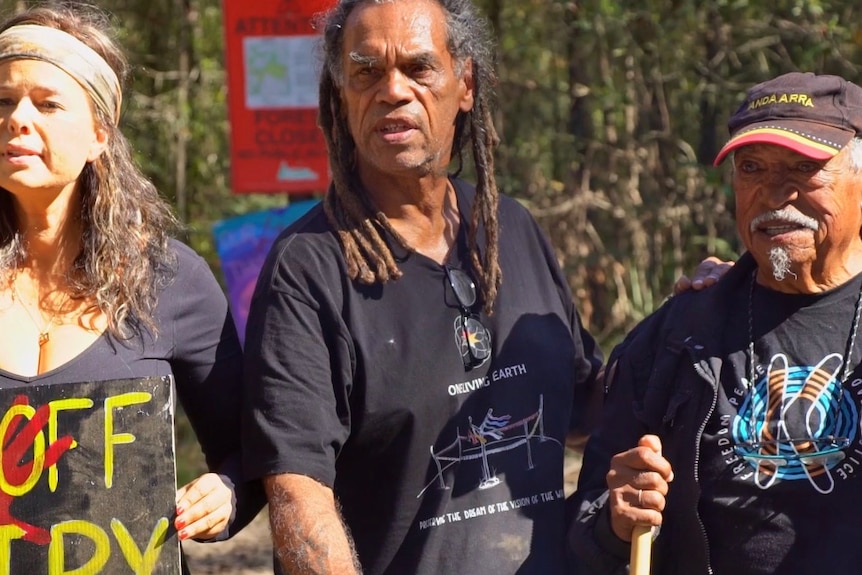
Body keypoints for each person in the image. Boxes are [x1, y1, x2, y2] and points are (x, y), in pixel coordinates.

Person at [241, 1, 728, 574]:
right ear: (341, 97)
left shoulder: (509, 228)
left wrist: (684, 319)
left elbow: (581, 409)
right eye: (366, 72)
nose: (393, 91)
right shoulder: (309, 268)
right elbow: (299, 495)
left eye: (419, 68)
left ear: (464, 84)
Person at [568, 71, 862, 574]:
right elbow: (583, 534)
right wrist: (615, 522)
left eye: (804, 168)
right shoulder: (676, 339)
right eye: (752, 168)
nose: (774, 195)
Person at [0, 4, 261, 569]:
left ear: (99, 133)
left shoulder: (172, 281)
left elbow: (252, 451)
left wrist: (226, 494)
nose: (18, 118)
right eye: (3, 101)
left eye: (47, 103)